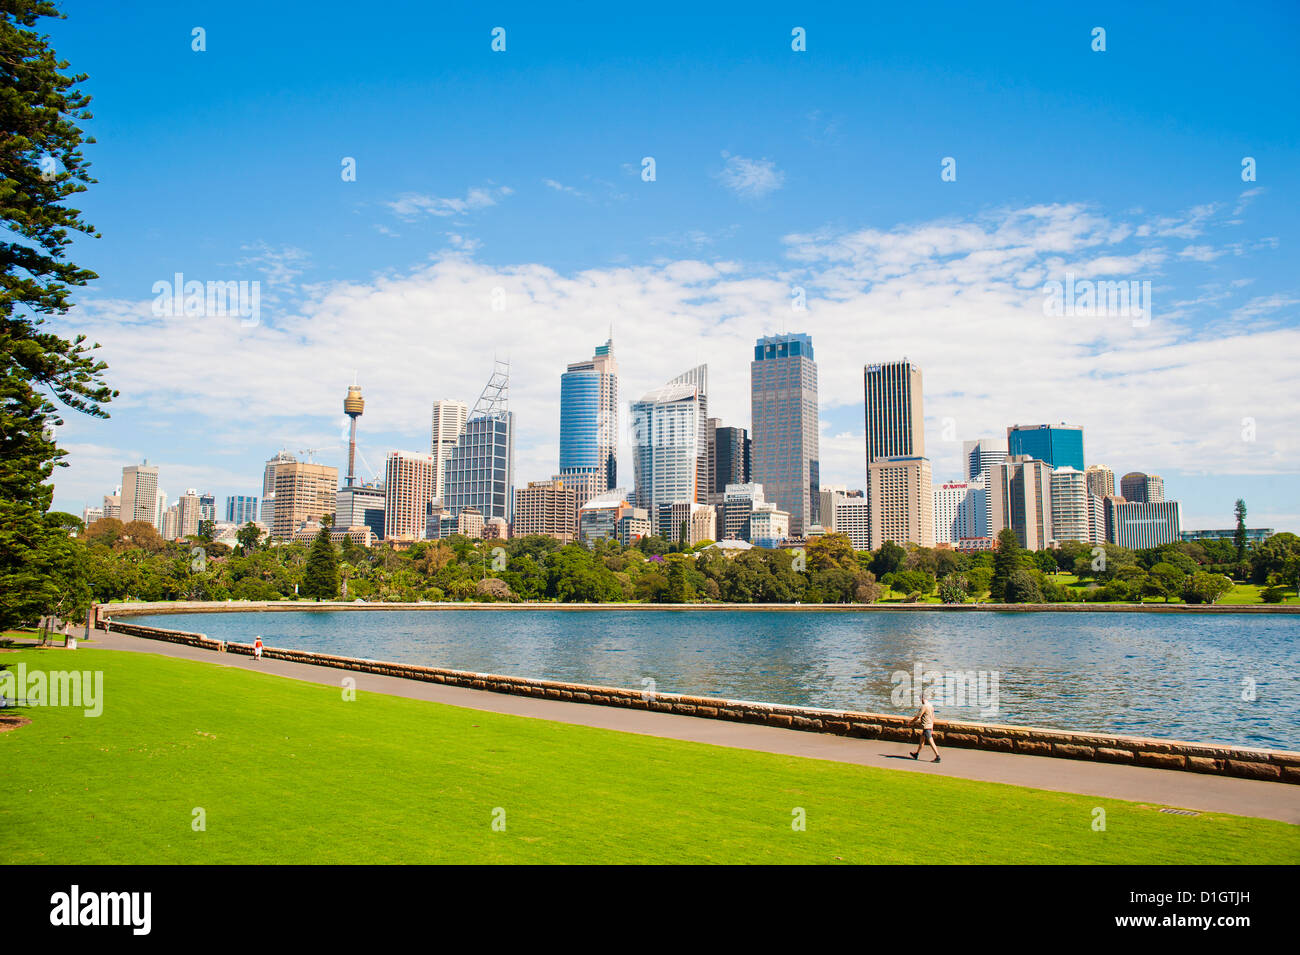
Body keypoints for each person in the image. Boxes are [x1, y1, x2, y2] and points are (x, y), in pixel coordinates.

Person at [909, 692, 941, 762]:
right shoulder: (931, 706)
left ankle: (937, 756)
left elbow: (918, 716)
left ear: (922, 698)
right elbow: (933, 717)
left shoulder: (924, 706)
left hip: (926, 727)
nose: (921, 700)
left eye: (921, 699)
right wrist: (932, 726)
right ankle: (916, 754)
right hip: (929, 726)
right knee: (922, 741)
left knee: (931, 741)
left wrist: (911, 722)